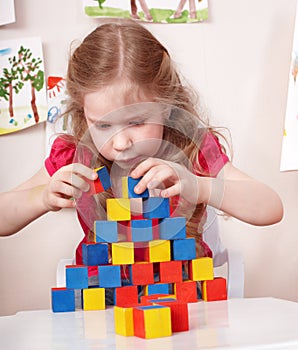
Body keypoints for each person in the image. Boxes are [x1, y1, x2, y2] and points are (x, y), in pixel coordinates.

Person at [0, 19, 283, 291]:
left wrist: (200, 186)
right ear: (84, 115)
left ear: (166, 107)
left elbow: (270, 208)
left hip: (182, 295)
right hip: (102, 297)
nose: (121, 142)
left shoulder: (193, 149)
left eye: (136, 122)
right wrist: (41, 198)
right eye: (103, 125)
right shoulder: (74, 156)